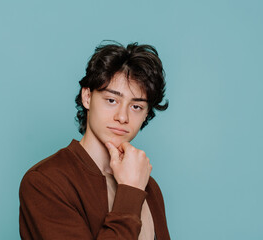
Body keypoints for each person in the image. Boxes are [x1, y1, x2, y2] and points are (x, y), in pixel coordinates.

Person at [19, 41, 170, 240]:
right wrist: (130, 193)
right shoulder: (45, 182)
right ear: (87, 97)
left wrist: (135, 187)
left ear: (146, 114)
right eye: (111, 100)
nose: (122, 117)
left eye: (136, 107)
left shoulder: (148, 185)